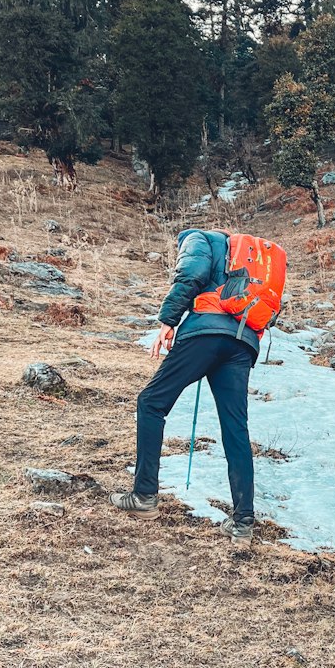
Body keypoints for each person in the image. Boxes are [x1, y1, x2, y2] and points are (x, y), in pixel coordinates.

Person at [110, 229, 259, 544]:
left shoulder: (196, 238)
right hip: (242, 343)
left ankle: (144, 496)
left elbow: (191, 275)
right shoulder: (248, 254)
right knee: (236, 429)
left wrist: (168, 321)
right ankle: (243, 521)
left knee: (151, 402)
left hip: (204, 335)